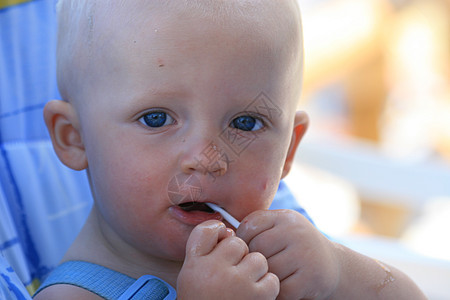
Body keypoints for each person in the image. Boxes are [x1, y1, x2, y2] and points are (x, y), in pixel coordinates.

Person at [34, 0, 426, 299]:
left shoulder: (280, 260)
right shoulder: (72, 295)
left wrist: (339, 271)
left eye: (245, 123)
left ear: (288, 150)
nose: (208, 158)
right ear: (74, 137)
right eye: (156, 118)